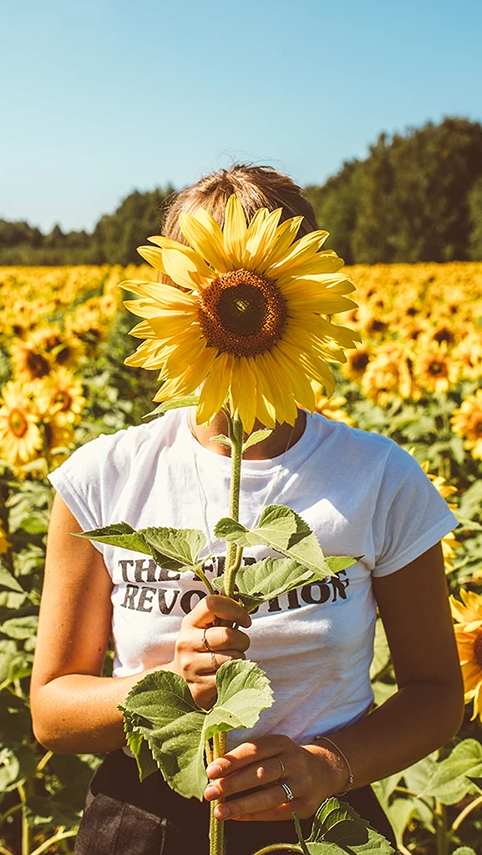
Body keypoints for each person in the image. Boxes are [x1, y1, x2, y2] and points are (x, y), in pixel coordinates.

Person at [30, 165, 464, 855]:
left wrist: (329, 764)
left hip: (320, 814)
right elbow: (51, 712)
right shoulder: (103, 476)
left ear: (300, 296)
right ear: (175, 296)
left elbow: (439, 692)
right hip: (144, 818)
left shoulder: (378, 477)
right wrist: (167, 684)